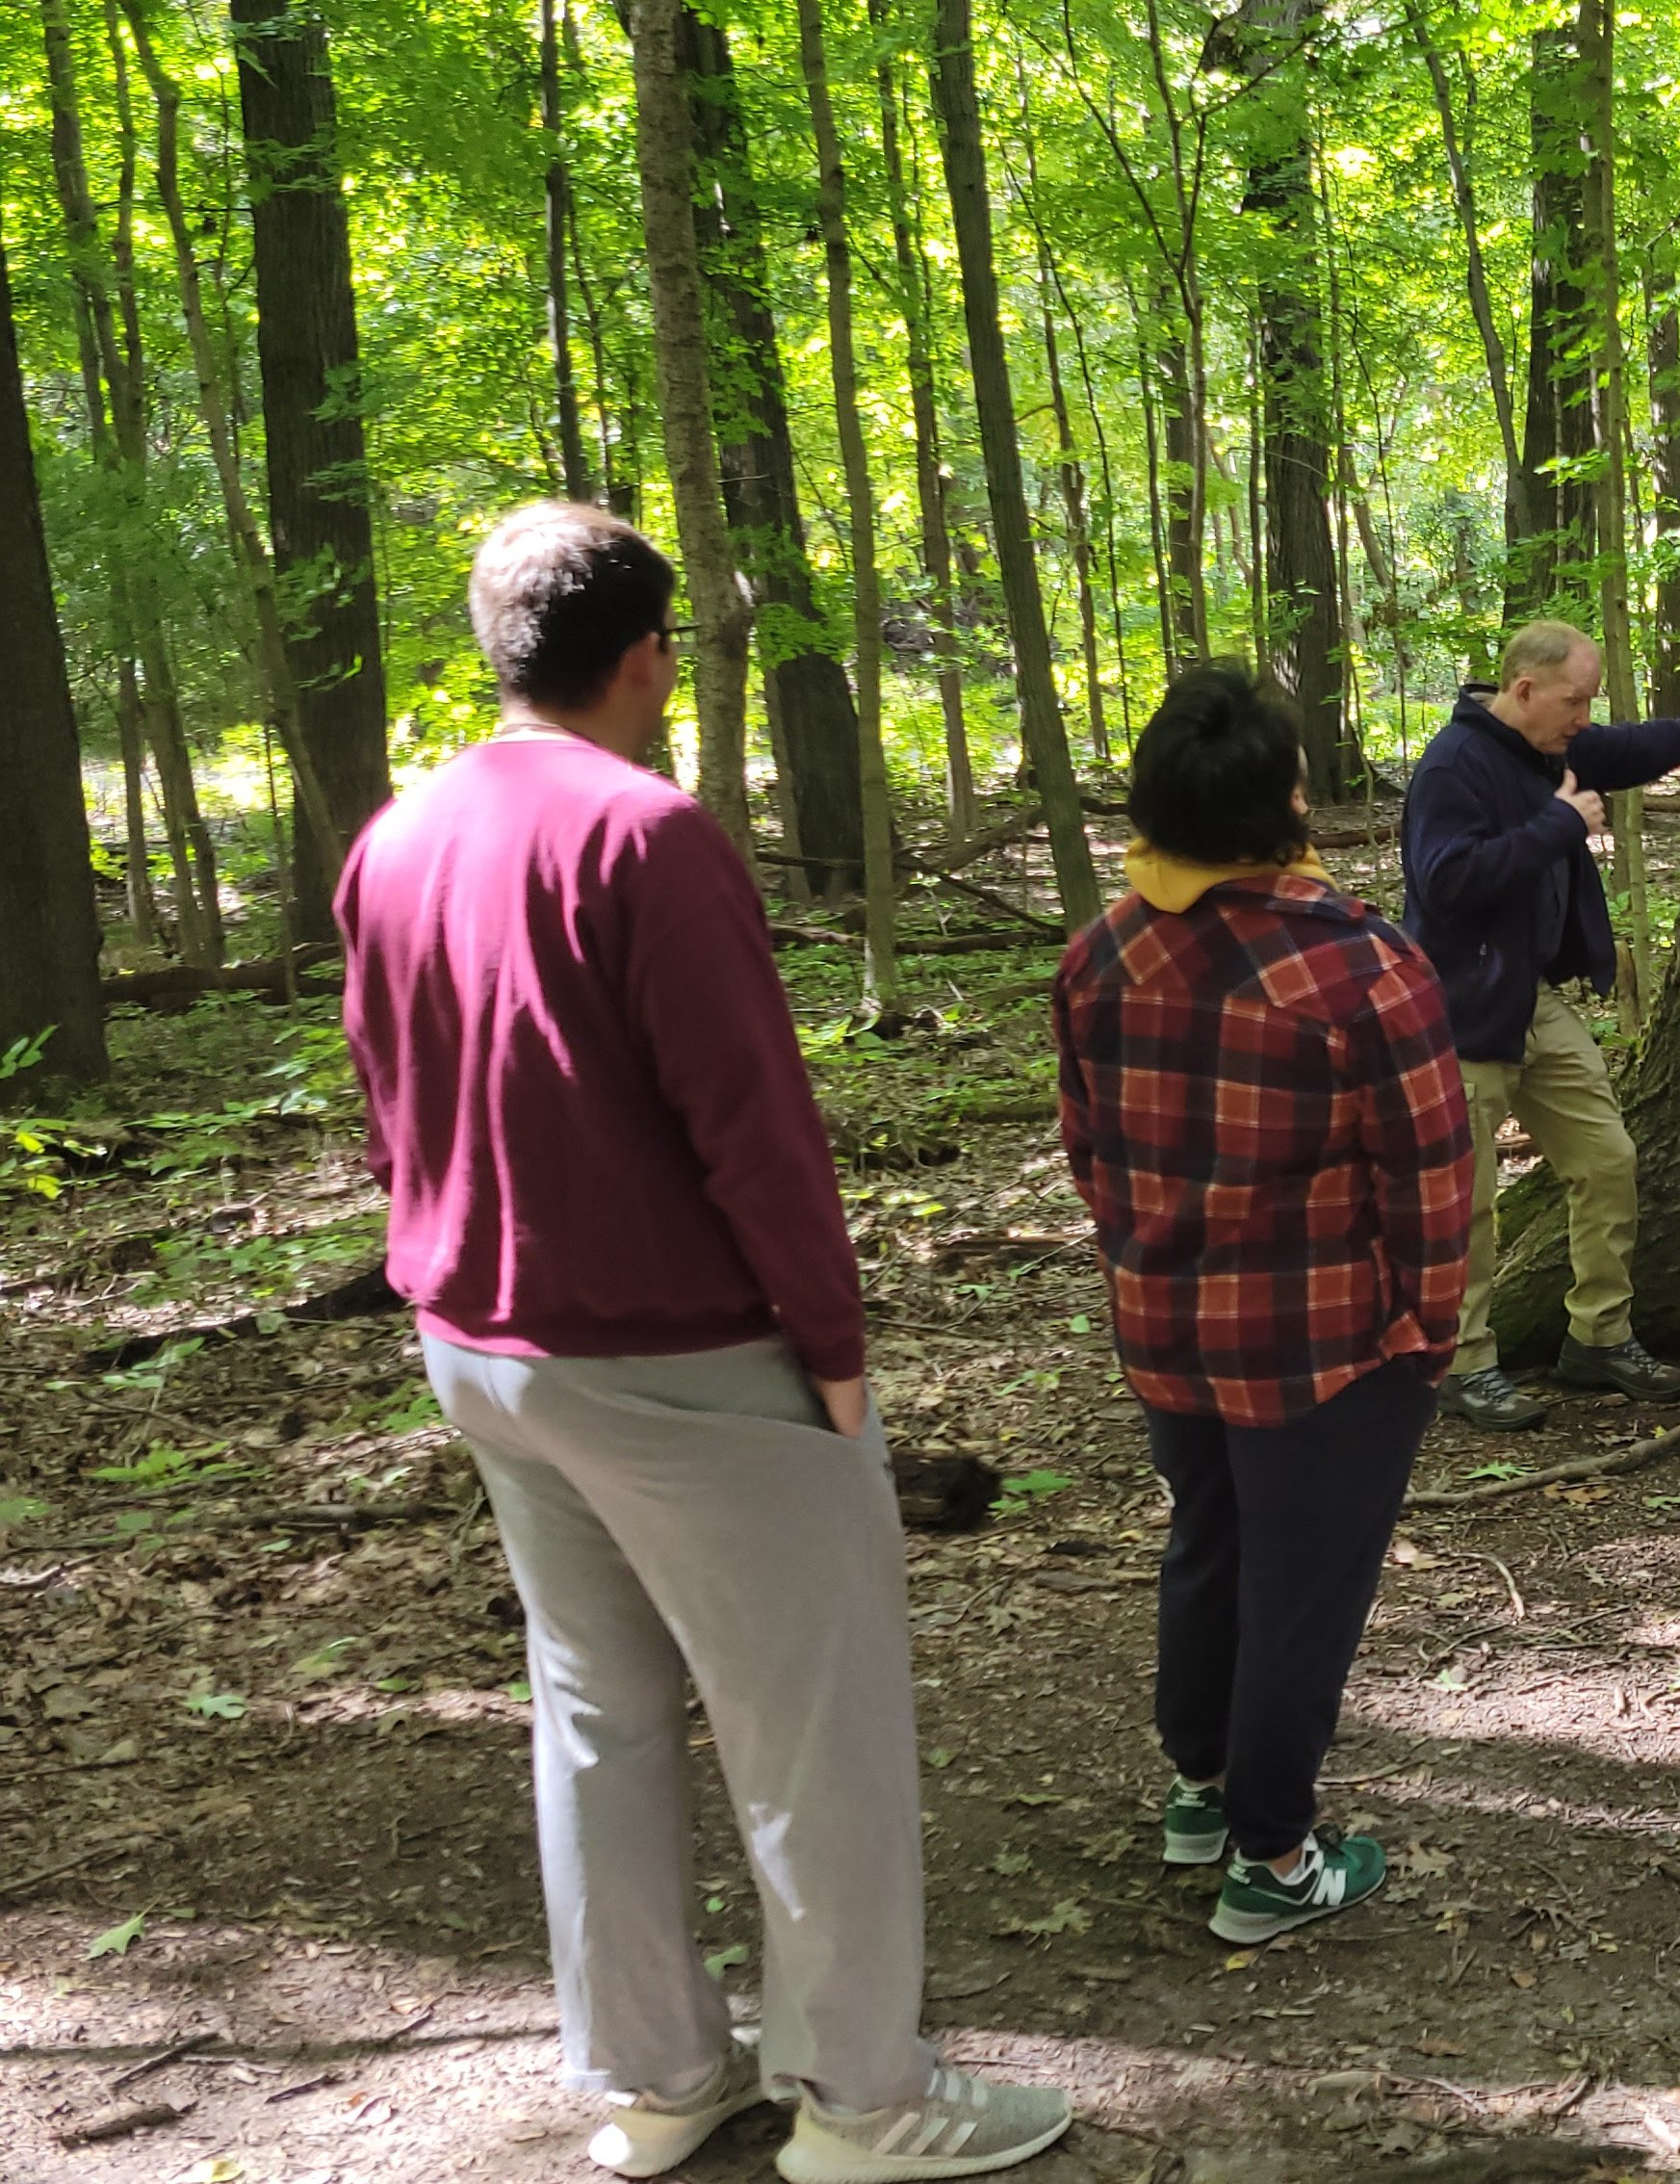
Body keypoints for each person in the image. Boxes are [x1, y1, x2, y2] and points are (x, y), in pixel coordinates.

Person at [336, 502, 1066, 2184]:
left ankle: (657, 2077)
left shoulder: (396, 833)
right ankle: (865, 2100)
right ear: (650, 653)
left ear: (501, 646)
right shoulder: (648, 837)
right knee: (812, 1723)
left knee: (593, 1707)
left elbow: (389, 1097)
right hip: (678, 1352)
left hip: (488, 1346)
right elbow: (755, 1124)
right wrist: (834, 1353)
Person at [1054, 669, 1474, 1947]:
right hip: (1325, 1353)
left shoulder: (1101, 954)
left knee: (1211, 1540)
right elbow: (1433, 1182)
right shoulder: (1357, 971)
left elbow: (1088, 1154)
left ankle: (1202, 1791)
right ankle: (1275, 1858)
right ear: (1290, 802)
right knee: (1302, 1591)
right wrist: (1428, 1332)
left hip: (1169, 1333)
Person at [1399, 619, 1680, 1429]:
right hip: (1459, 1014)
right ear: (1523, 690)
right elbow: (1444, 884)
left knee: (1608, 1157)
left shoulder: (1555, 748)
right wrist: (1558, 826)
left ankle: (1598, 1336)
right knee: (1467, 1203)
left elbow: (1649, 744)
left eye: (1590, 702)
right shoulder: (1455, 765)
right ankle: (1463, 1364)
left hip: (1532, 1003)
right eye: (1575, 700)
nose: (1586, 717)